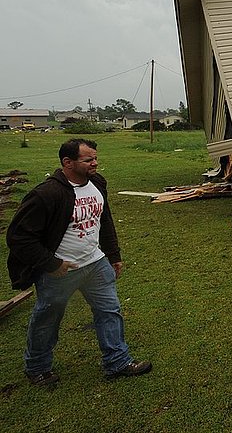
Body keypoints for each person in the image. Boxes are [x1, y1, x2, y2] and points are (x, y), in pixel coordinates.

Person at [6, 138, 151, 386]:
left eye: (95, 158)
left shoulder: (97, 183)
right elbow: (18, 237)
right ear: (68, 162)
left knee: (109, 311)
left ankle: (117, 362)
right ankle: (38, 367)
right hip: (61, 271)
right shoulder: (46, 194)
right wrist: (51, 264)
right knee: (47, 319)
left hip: (95, 263)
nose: (95, 163)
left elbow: (104, 220)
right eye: (88, 160)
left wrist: (113, 255)